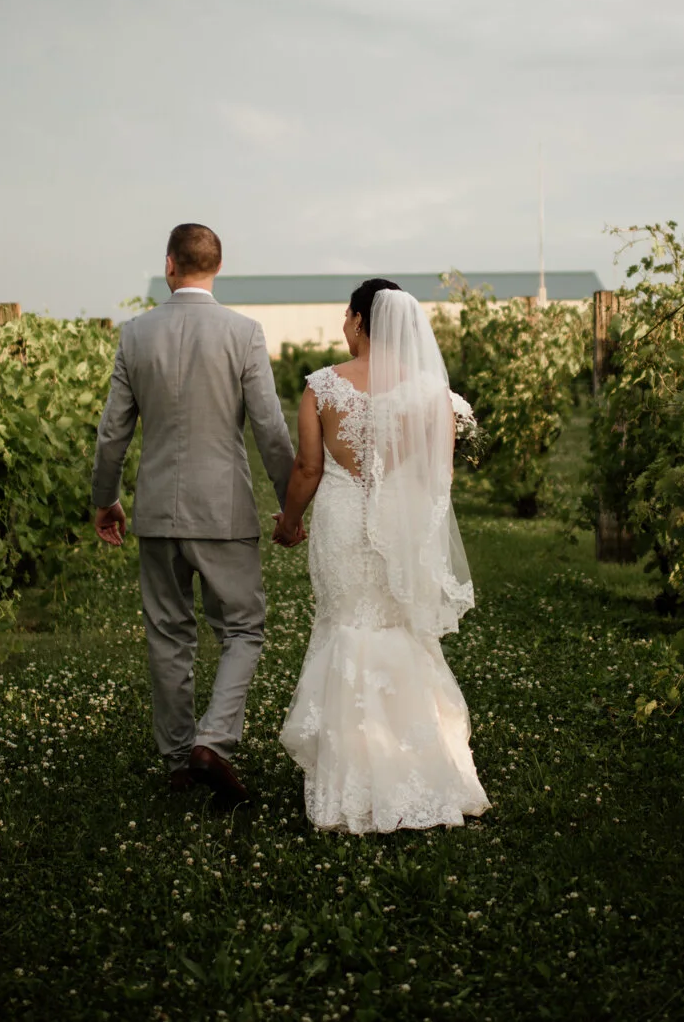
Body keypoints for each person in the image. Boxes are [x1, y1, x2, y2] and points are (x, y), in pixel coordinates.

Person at [90, 223, 297, 802]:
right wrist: (289, 504)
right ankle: (213, 740)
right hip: (224, 510)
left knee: (167, 634)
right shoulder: (244, 333)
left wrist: (105, 499)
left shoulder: (135, 334)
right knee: (243, 628)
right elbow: (270, 430)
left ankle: (181, 762)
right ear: (217, 267)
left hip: (156, 509)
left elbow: (112, 434)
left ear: (170, 265)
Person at [273, 279, 490, 832]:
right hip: (402, 526)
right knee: (397, 629)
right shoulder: (432, 393)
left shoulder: (323, 386)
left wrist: (289, 520)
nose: (344, 327)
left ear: (361, 321)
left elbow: (308, 470)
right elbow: (437, 479)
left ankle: (352, 784)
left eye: (347, 317)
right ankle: (423, 771)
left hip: (342, 523)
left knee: (346, 624)